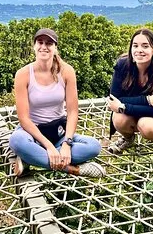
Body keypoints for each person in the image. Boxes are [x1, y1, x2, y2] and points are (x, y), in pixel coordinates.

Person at [9, 28, 104, 178]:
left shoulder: (66, 71)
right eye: (40, 42)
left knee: (94, 146)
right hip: (32, 134)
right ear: (34, 46)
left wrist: (67, 143)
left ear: (55, 48)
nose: (44, 47)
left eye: (49, 43)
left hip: (59, 132)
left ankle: (30, 158)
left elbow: (73, 111)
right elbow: (24, 118)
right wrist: (48, 146)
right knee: (16, 141)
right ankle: (70, 168)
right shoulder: (23, 74)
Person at [106, 28, 153, 165]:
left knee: (147, 125)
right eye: (135, 46)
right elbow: (114, 99)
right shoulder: (122, 65)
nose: (139, 50)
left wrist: (123, 106)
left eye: (145, 46)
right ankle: (128, 138)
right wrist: (148, 100)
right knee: (119, 118)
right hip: (133, 111)